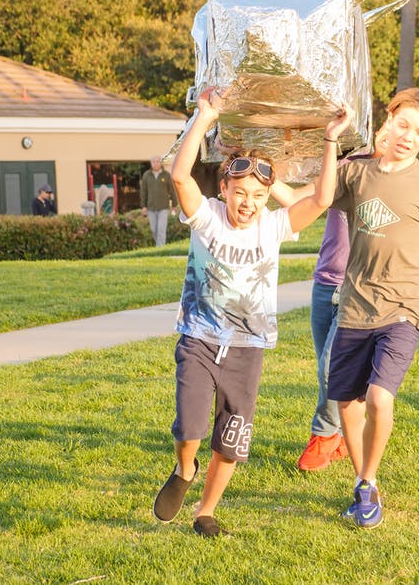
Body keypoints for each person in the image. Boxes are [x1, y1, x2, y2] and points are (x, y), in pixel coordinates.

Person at [151, 87, 351, 537]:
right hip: (200, 340)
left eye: (258, 195)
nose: (247, 202)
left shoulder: (274, 227)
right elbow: (181, 176)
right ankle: (185, 470)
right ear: (223, 188)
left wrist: (331, 139)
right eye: (239, 192)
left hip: (248, 350)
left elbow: (320, 200)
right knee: (190, 426)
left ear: (267, 198)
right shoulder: (206, 217)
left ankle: (206, 511)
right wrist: (205, 116)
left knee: (232, 441)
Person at [328, 87, 419, 528]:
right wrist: (261, 173)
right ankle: (362, 481)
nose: (410, 136)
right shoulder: (357, 174)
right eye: (404, 124)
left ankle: (368, 481)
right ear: (388, 120)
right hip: (355, 304)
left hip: (405, 307)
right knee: (346, 402)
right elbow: (307, 201)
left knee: (378, 396)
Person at [294, 123, 388, 472]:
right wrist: (259, 170)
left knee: (331, 368)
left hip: (359, 289)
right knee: (331, 371)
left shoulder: (399, 179)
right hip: (324, 284)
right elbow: (301, 199)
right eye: (386, 124)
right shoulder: (346, 167)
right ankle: (349, 434)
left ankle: (325, 435)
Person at [141, 155, 177, 247]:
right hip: (151, 208)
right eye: (154, 162)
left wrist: (174, 205)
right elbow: (143, 192)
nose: (156, 163)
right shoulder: (146, 175)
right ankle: (158, 246)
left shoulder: (166, 175)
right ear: (151, 163)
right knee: (154, 229)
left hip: (163, 207)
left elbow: (172, 191)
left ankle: (160, 248)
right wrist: (143, 206)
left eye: (157, 161)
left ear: (160, 163)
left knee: (161, 229)